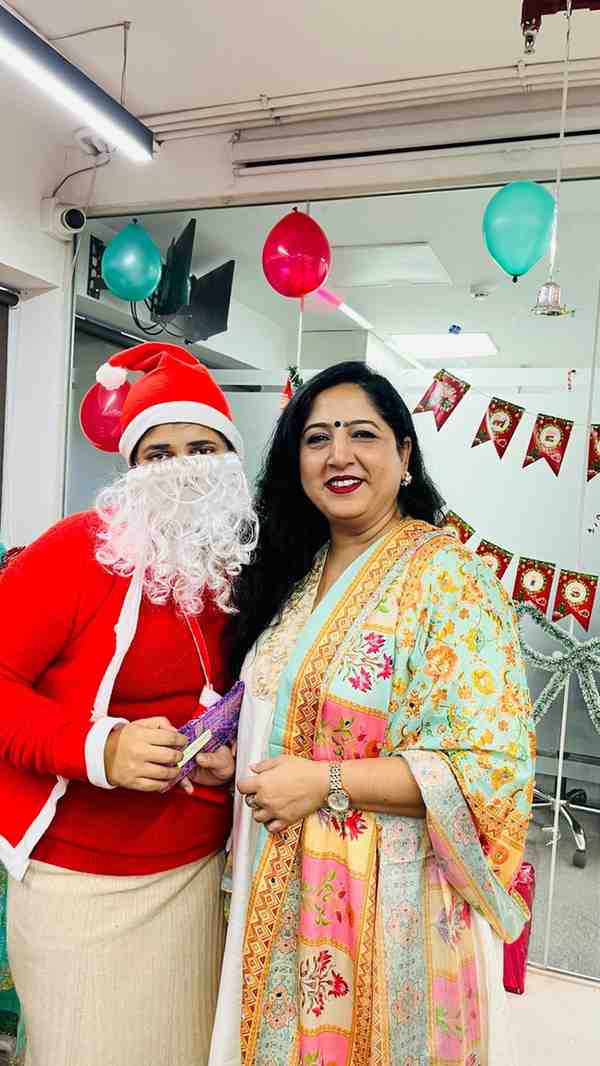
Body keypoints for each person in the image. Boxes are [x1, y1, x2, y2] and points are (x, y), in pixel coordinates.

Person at [209, 361, 535, 1066]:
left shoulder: (449, 577)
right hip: (275, 883)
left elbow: (488, 768)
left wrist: (325, 782)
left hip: (389, 904)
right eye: (317, 438)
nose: (339, 455)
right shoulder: (295, 574)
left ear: (404, 454)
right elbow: (287, 713)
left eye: (362, 434)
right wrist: (236, 760)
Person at [0, 342, 257, 1066]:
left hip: (197, 878)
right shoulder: (75, 550)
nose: (182, 471)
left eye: (201, 449)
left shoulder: (247, 568)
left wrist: (230, 756)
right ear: (131, 471)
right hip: (80, 883)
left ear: (232, 460)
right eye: (158, 454)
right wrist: (100, 748)